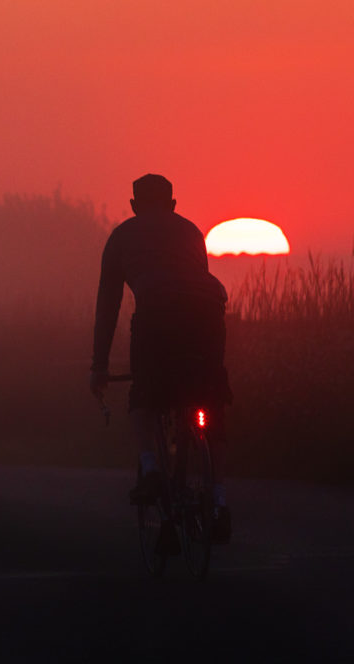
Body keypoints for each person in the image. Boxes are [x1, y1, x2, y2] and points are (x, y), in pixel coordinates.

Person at [89, 174, 232, 543]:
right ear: (173, 204)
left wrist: (99, 366)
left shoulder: (122, 236)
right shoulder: (191, 232)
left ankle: (152, 470)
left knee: (145, 397)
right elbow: (199, 281)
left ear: (135, 206)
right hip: (209, 312)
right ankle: (218, 500)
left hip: (157, 314)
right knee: (210, 401)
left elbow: (108, 306)